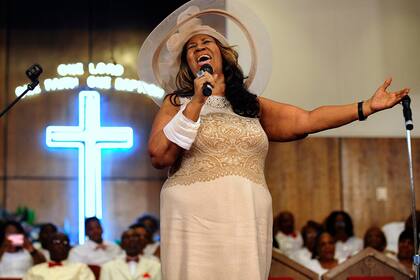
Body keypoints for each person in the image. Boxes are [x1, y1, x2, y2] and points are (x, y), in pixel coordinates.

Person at [138, 1, 410, 279]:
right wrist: (197, 101)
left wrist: (366, 107)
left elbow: (307, 120)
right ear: (187, 63)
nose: (199, 49)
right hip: (192, 218)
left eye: (206, 42)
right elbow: (159, 155)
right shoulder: (177, 102)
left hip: (246, 214)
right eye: (191, 49)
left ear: (223, 55)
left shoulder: (250, 105)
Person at [23, 232, 95, 280]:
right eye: (56, 242)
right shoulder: (34, 271)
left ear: (69, 248)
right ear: (48, 246)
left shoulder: (81, 269)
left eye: (64, 243)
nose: (60, 246)